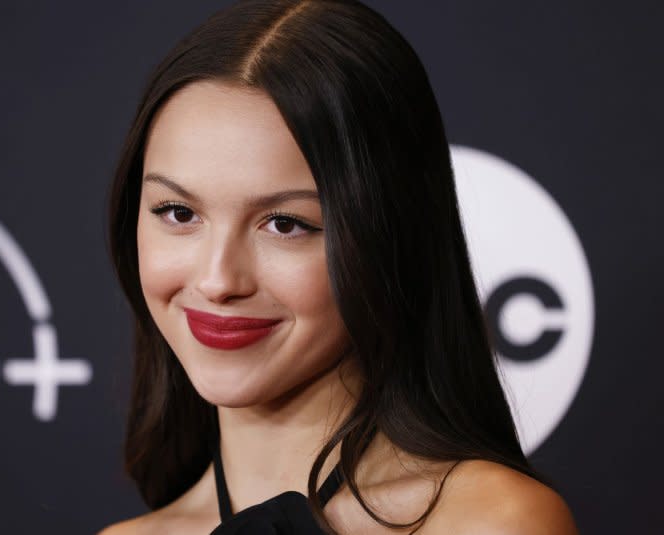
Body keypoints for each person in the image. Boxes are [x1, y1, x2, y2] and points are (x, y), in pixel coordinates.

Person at [99, 0, 579, 533]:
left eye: (285, 224)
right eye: (179, 213)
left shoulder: (491, 522)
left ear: (387, 236)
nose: (217, 280)